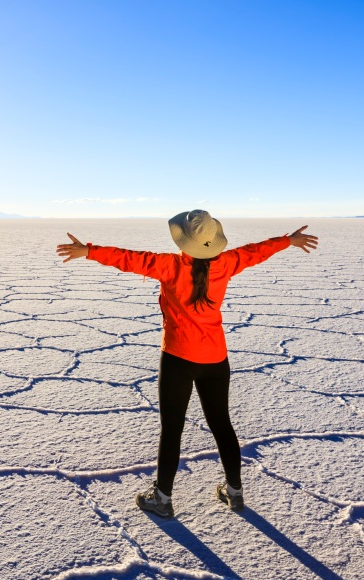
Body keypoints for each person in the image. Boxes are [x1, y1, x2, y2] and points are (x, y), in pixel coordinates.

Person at [56, 210, 318, 517]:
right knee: (222, 425)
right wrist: (288, 240)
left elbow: (130, 259)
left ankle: (162, 499)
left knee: (172, 430)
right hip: (215, 359)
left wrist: (89, 251)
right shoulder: (227, 263)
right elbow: (255, 251)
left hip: (178, 358)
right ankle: (234, 493)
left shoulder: (170, 266)